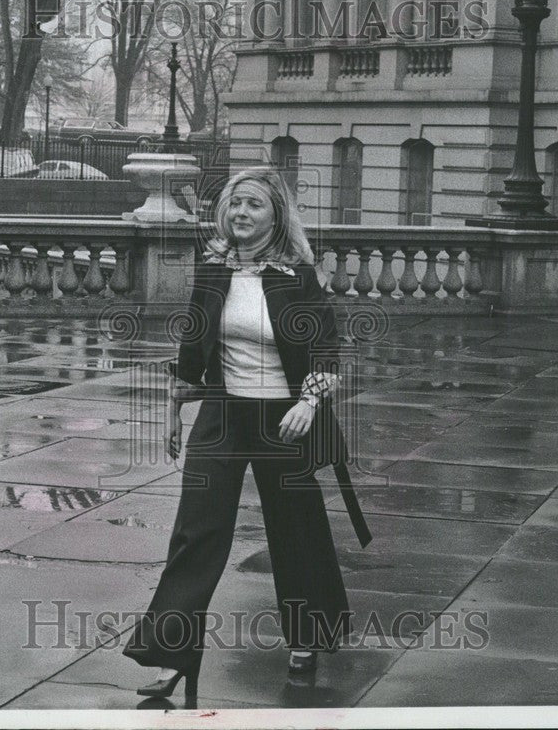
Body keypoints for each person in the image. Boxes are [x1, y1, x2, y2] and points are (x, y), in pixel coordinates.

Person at [122, 166, 372, 702]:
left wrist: (309, 401)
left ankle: (306, 638)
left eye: (254, 205)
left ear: (276, 214)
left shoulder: (297, 276)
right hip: (223, 418)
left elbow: (326, 349)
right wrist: (174, 405)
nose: (241, 214)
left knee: (297, 530)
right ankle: (172, 655)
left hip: (284, 419)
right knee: (196, 533)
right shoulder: (213, 269)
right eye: (235, 204)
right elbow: (194, 345)